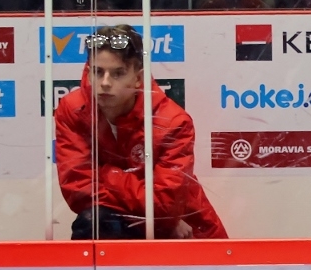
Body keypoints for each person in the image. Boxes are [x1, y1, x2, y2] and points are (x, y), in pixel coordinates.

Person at [55, 25, 227, 239]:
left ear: (138, 78)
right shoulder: (72, 110)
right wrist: (154, 216)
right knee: (94, 221)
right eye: (98, 72)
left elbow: (164, 205)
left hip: (186, 230)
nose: (105, 83)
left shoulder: (172, 121)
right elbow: (78, 191)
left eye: (118, 73)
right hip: (156, 223)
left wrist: (106, 174)